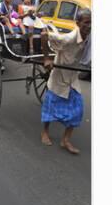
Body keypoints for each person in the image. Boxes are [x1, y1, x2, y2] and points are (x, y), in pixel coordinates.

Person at [39, 8, 91, 154]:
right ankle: (45, 132)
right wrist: (47, 58)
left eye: (91, 22)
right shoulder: (68, 38)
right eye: (86, 23)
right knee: (50, 107)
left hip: (72, 77)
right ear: (78, 23)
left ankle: (65, 140)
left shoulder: (90, 37)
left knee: (78, 109)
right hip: (59, 76)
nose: (89, 26)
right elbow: (44, 35)